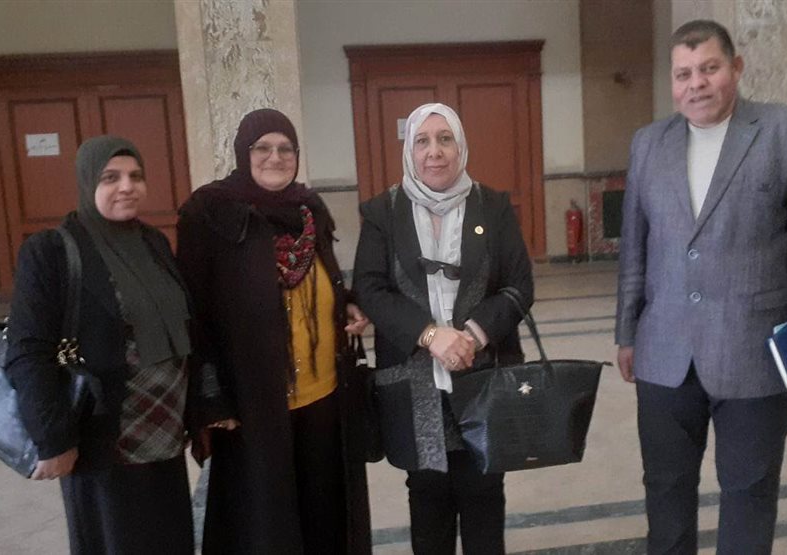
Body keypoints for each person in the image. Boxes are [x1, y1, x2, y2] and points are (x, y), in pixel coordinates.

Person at [614, 20, 787, 554]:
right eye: (683, 74)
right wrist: (627, 332)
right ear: (672, 82)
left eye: (709, 69)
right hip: (664, 354)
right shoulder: (648, 144)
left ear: (736, 68)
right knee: (665, 492)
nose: (696, 84)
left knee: (749, 493)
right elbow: (634, 250)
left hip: (755, 354)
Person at [175, 108, 373, 554]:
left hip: (323, 397)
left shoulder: (309, 209)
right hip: (252, 404)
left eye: (286, 148)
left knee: (323, 514)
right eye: (262, 147)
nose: (275, 157)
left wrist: (347, 301)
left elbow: (324, 279)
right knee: (264, 523)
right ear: (243, 153)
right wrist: (211, 397)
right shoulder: (209, 212)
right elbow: (195, 314)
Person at [353, 102, 534, 555]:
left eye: (445, 139)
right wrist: (431, 335)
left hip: (484, 375)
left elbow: (519, 285)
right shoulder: (382, 212)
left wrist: (471, 336)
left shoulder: (492, 206)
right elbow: (370, 288)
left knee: (484, 492)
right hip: (413, 382)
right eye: (422, 141)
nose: (434, 151)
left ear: (461, 146)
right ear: (409, 151)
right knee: (427, 496)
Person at [6, 136, 197, 554]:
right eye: (110, 178)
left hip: (164, 434)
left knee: (169, 541)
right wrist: (53, 438)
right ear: (87, 181)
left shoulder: (153, 243)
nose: (127, 186)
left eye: (135, 176)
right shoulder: (51, 251)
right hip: (105, 439)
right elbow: (28, 351)